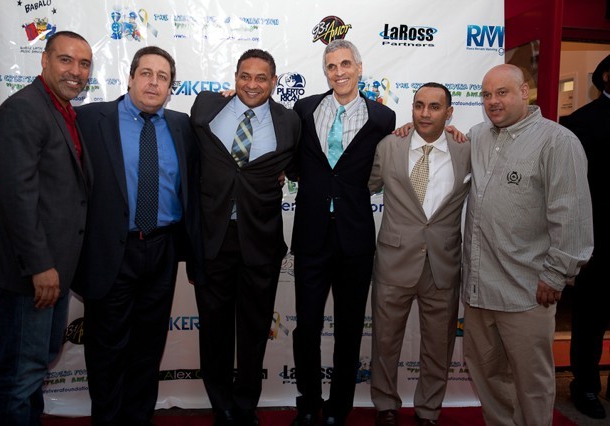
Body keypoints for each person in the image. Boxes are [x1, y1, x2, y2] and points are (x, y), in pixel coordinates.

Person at [73, 46, 204, 425]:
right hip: (111, 250)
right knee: (106, 351)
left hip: (163, 250)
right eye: (146, 73)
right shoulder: (91, 119)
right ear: (130, 77)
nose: (153, 83)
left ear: (171, 88)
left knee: (148, 348)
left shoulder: (182, 126)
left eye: (163, 77)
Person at [462, 64, 594, 426]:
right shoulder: (478, 136)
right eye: (486, 95)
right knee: (488, 378)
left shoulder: (558, 142)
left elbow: (572, 215)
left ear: (524, 92)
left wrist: (556, 274)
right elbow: (439, 147)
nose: (492, 101)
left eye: (502, 92)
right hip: (478, 290)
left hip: (527, 292)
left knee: (531, 385)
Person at [0, 31, 92, 425]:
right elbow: (17, 196)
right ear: (44, 60)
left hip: (51, 269)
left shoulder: (61, 110)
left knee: (34, 367)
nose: (76, 71)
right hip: (29, 271)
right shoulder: (24, 109)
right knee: (21, 374)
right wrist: (40, 265)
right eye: (66, 60)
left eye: (84, 64)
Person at [190, 48, 301, 426]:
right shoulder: (206, 106)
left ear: (274, 81)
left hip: (261, 241)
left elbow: (298, 166)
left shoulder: (290, 122)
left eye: (260, 78)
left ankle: (245, 404)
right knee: (214, 329)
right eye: (245, 76)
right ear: (234, 77)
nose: (252, 85)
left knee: (254, 330)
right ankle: (220, 404)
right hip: (214, 239)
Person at [289, 39, 396, 426]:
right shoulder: (304, 110)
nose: (339, 72)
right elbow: (289, 155)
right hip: (311, 236)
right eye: (332, 66)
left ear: (359, 67)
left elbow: (400, 150)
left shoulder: (383, 118)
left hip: (355, 239)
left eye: (346, 64)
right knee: (307, 327)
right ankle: (308, 402)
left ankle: (339, 408)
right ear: (325, 71)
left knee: (349, 330)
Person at [368, 83, 470, 426]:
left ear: (449, 113)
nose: (425, 113)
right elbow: (363, 185)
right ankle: (385, 405)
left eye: (435, 107)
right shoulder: (389, 146)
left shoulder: (466, 150)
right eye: (419, 105)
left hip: (442, 264)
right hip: (394, 262)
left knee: (439, 346)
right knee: (385, 342)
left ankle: (428, 410)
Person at [560, 54, 610, 420]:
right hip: (598, 239)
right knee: (591, 317)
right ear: (606, 76)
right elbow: (571, 188)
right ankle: (586, 386)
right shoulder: (580, 122)